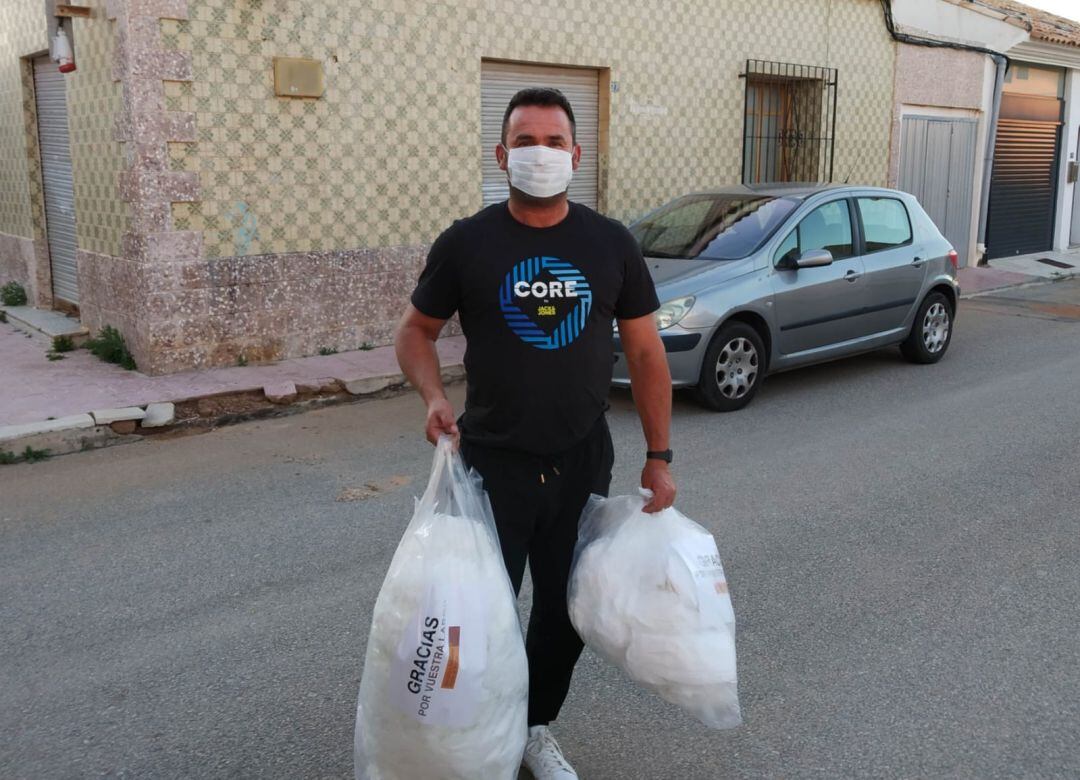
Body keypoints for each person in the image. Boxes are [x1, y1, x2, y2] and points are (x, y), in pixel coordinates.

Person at [394, 86, 675, 780]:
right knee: (478, 618)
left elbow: (645, 355)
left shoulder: (610, 244)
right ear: (501, 155)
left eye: (554, 142)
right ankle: (475, 740)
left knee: (564, 616)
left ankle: (531, 729)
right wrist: (432, 396)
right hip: (492, 465)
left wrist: (660, 456)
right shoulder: (468, 243)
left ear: (576, 156)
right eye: (525, 141)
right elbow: (415, 332)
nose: (540, 154)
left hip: (582, 461)